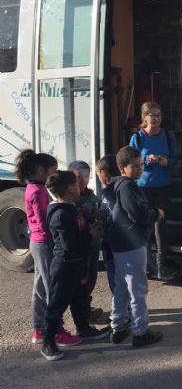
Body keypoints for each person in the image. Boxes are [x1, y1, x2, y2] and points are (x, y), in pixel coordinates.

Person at [14, 150, 83, 348]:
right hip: (44, 242)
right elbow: (46, 222)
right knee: (52, 288)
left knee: (41, 287)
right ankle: (56, 331)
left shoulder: (34, 187)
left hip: (38, 241)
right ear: (40, 170)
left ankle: (40, 328)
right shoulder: (37, 191)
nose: (54, 174)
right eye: (52, 171)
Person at [40, 170, 110, 361]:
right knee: (57, 304)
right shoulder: (60, 214)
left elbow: (79, 227)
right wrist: (91, 234)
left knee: (80, 297)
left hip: (78, 262)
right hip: (64, 266)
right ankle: (48, 341)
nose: (80, 186)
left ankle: (84, 328)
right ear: (70, 189)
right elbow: (70, 244)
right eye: (76, 183)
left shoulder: (71, 207)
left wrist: (91, 222)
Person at [103, 145, 164, 347]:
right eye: (134, 166)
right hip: (132, 244)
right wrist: (156, 214)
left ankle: (118, 327)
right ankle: (141, 332)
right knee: (137, 290)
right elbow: (138, 213)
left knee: (121, 287)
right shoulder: (128, 187)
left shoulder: (117, 185)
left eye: (141, 165)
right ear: (122, 168)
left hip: (120, 245)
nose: (139, 169)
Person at [129, 101, 177, 280]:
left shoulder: (167, 135)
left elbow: (174, 158)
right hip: (143, 187)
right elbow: (130, 160)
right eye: (152, 115)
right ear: (144, 117)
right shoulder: (138, 137)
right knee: (146, 226)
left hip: (163, 185)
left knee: (160, 226)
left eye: (159, 115)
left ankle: (160, 266)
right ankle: (146, 266)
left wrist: (167, 162)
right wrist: (145, 159)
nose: (156, 118)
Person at [68, 160, 104, 323]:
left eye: (87, 176)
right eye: (79, 176)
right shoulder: (71, 199)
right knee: (81, 281)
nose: (83, 180)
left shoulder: (91, 195)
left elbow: (99, 209)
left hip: (94, 245)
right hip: (83, 246)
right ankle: (82, 313)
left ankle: (86, 307)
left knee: (91, 279)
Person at [96, 155, 118, 293]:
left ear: (104, 173)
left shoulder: (110, 191)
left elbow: (107, 213)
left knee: (115, 274)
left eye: (98, 173)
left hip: (112, 239)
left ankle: (122, 310)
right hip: (119, 240)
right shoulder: (122, 187)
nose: (98, 177)